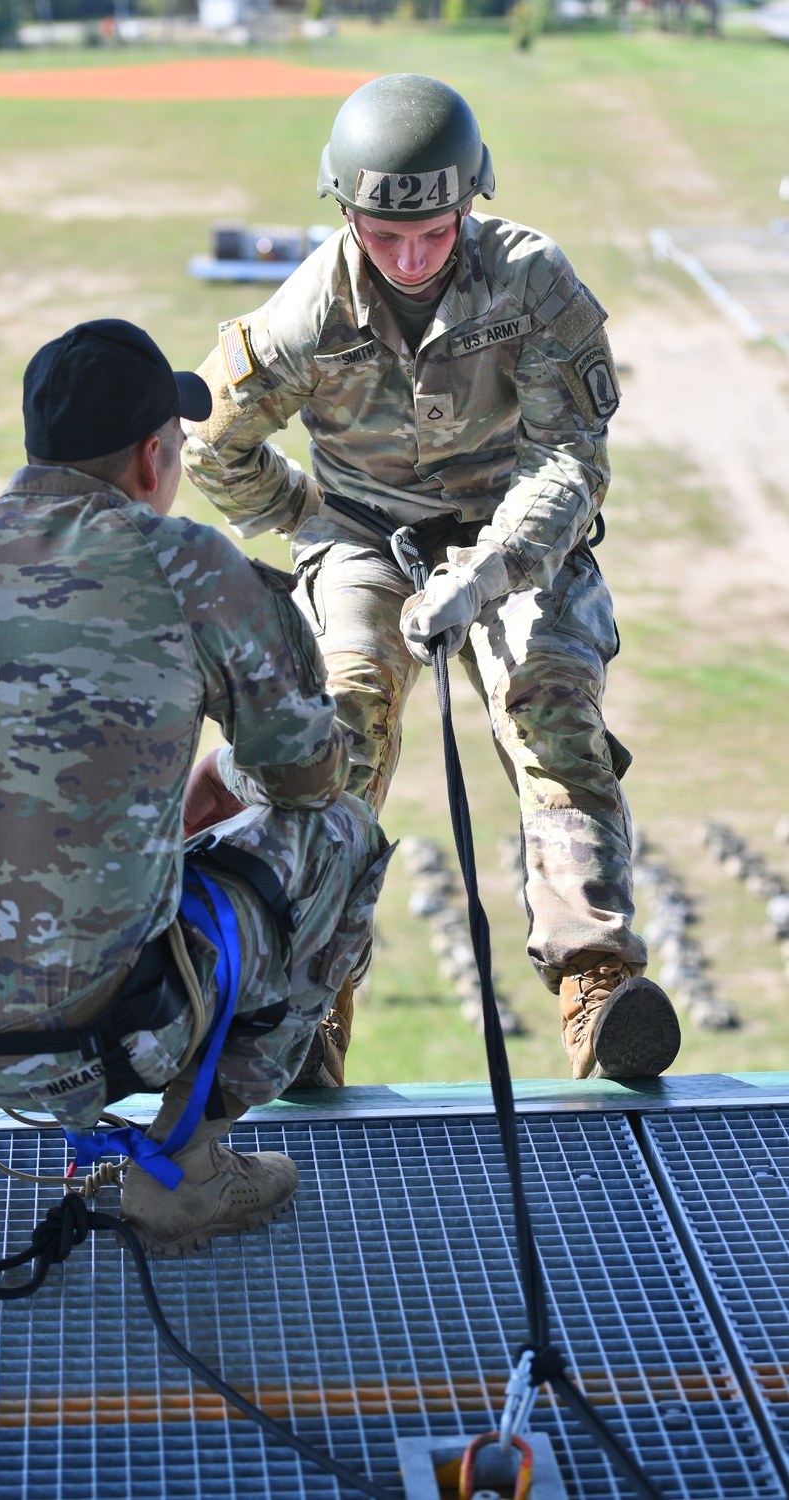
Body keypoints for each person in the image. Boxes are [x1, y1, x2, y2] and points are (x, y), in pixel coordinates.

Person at [0, 318, 391, 1252]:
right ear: (153, 455)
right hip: (104, 1040)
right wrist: (214, 779)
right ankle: (186, 1168)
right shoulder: (190, 566)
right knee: (344, 837)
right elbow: (308, 774)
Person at [182, 73, 681, 1087]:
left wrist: (493, 567)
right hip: (365, 538)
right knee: (339, 726)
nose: (409, 259)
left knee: (547, 703)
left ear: (472, 205)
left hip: (513, 538)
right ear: (345, 213)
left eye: (435, 234)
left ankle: (595, 980)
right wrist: (306, 521)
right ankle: (310, 1002)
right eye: (383, 236)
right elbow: (215, 443)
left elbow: (570, 460)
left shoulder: (531, 283)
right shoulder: (307, 312)